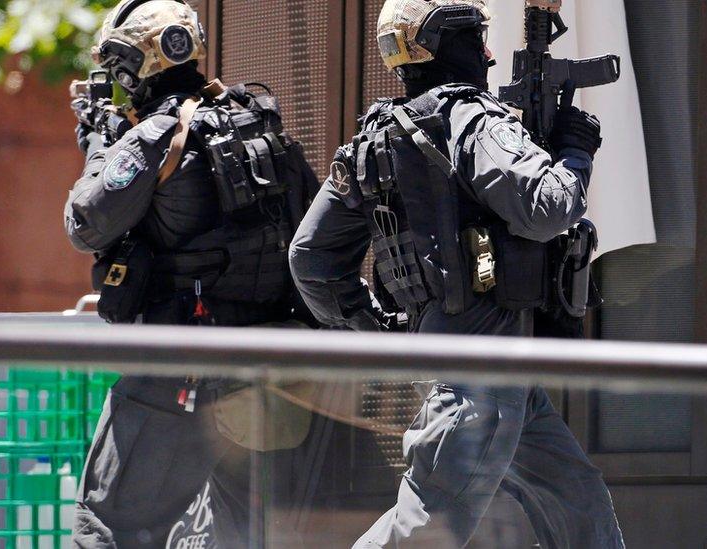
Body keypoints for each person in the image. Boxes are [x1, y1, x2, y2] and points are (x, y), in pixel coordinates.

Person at [288, 0, 626, 547]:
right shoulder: (472, 118)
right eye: (477, 38)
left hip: (473, 364)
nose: (488, 53)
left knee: (578, 503)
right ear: (451, 44)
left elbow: (311, 258)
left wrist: (382, 333)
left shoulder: (374, 137)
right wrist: (575, 148)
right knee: (426, 526)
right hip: (481, 378)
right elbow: (550, 206)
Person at [64, 0, 320, 546]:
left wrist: (97, 143)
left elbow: (85, 223)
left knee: (110, 525)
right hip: (266, 373)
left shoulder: (155, 136)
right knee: (244, 535)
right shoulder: (256, 118)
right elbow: (312, 229)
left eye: (119, 66)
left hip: (179, 375)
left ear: (137, 64)